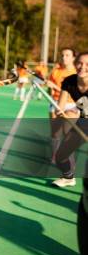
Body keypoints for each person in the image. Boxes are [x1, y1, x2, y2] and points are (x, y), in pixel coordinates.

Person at [51, 52, 87, 188]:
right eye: (80, 63)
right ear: (75, 63)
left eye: (87, 64)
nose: (83, 67)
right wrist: (61, 111)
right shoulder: (69, 81)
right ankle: (68, 177)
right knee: (60, 156)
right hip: (84, 122)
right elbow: (60, 106)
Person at [47, 48, 77, 162]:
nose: (64, 57)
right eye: (63, 55)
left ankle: (68, 161)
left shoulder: (77, 72)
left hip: (70, 105)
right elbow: (50, 87)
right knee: (55, 134)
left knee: (68, 134)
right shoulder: (56, 70)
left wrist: (55, 87)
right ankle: (54, 155)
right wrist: (50, 87)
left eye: (67, 55)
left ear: (73, 58)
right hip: (55, 103)